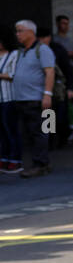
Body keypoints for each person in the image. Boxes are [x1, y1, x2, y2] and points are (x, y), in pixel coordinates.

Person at [9, 21, 55, 176]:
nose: (17, 34)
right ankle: (38, 162)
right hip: (22, 99)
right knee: (28, 133)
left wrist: (47, 95)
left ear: (30, 32)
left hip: (36, 99)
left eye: (20, 31)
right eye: (16, 31)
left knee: (39, 132)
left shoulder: (42, 50)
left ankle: (41, 164)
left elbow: (49, 72)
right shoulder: (21, 51)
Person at [37, 27, 73, 148]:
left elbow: (68, 70)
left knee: (60, 115)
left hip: (59, 87)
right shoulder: (38, 50)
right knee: (49, 114)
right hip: (48, 87)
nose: (41, 40)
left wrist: (70, 88)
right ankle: (49, 141)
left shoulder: (58, 50)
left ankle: (62, 137)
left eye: (44, 38)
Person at [52, 14, 73, 140]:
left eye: (67, 24)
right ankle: (55, 133)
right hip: (58, 79)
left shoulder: (69, 40)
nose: (65, 26)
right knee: (58, 106)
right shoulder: (55, 41)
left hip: (69, 75)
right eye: (63, 23)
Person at [0, 32, 22, 173]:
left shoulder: (14, 54)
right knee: (2, 131)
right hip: (0, 99)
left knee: (10, 129)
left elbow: (14, 75)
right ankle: (4, 158)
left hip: (9, 98)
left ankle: (15, 160)